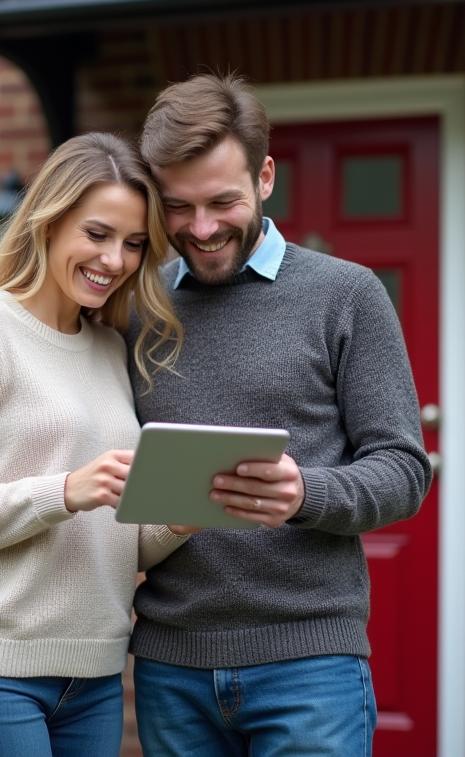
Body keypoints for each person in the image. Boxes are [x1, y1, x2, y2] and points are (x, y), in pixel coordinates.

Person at [125, 73, 433, 757]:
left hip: (310, 667)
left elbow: (404, 469)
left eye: (221, 202)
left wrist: (306, 492)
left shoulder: (346, 295)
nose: (201, 230)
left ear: (265, 176)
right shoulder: (137, 309)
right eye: (178, 207)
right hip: (171, 665)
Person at [0, 131, 193, 757]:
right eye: (97, 234)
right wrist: (63, 491)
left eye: (135, 244)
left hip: (96, 675)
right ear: (49, 222)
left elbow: (120, 539)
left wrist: (179, 522)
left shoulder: (111, 350)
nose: (115, 260)